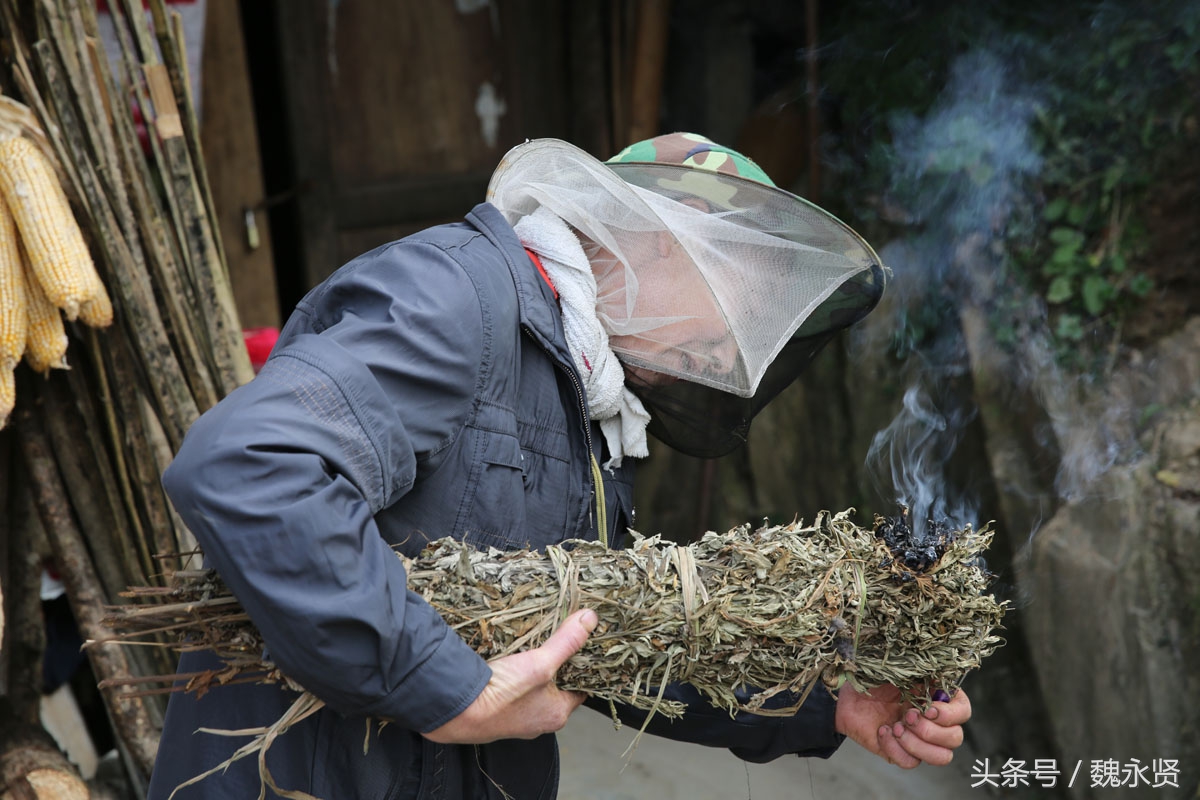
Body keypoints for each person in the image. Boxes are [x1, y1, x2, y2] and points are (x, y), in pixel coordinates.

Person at [147, 133, 972, 800]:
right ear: (642, 239)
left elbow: (608, 642)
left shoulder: (586, 398)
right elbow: (250, 466)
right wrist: (444, 688)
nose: (730, 351)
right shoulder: (455, 296)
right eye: (733, 303)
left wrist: (827, 706)